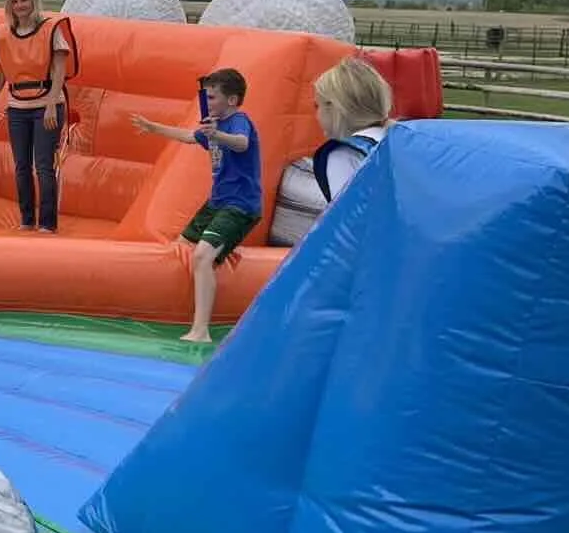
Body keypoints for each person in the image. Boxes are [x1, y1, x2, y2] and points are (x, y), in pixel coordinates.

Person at [130, 67, 262, 343]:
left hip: (240, 204)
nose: (208, 102)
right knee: (180, 247)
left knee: (202, 256)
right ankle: (179, 307)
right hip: (216, 202)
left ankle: (201, 330)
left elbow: (241, 143)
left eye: (213, 97)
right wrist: (153, 127)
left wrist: (218, 135)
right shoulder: (212, 126)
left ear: (232, 100)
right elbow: (189, 137)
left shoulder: (239, 120)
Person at [270, 57, 395, 246]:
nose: (316, 114)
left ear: (335, 108)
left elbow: (348, 226)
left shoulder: (344, 155)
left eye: (318, 106)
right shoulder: (395, 139)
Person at [0, 0, 73, 233]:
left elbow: (59, 69)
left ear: (33, 1)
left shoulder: (50, 30)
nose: (20, 5)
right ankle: (26, 219)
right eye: (15, 1)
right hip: (18, 107)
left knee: (43, 165)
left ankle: (47, 223)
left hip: (46, 105)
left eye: (24, 0)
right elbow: (0, 72)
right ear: (9, 5)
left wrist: (52, 105)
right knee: (21, 165)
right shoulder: (3, 35)